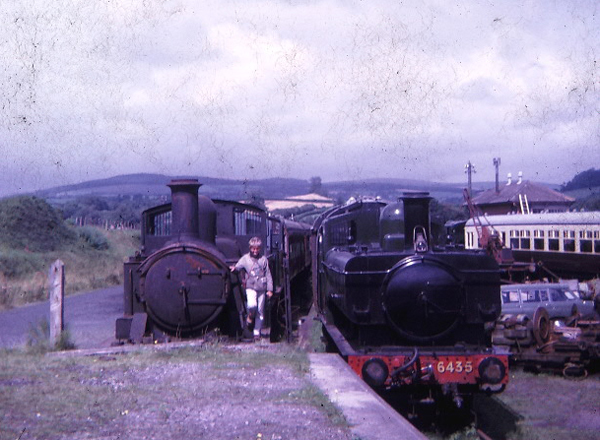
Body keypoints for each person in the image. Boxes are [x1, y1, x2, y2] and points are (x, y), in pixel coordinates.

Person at [231, 237, 273, 340]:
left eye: (257, 248)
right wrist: (234, 268)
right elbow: (238, 266)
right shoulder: (245, 259)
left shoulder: (263, 260)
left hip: (262, 288)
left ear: (259, 248)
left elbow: (268, 275)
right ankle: (250, 316)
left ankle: (256, 333)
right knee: (252, 305)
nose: (255, 251)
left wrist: (270, 289)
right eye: (253, 248)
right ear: (250, 248)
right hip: (250, 287)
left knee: (260, 311)